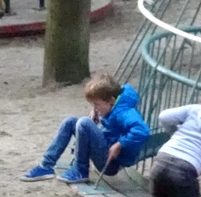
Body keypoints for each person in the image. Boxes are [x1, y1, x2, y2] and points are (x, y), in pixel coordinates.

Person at [21, 73, 150, 183]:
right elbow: (106, 118)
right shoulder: (113, 105)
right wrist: (95, 111)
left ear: (111, 100)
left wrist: (120, 144)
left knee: (83, 123)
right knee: (70, 121)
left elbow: (142, 130)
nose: (95, 108)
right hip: (105, 147)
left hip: (112, 163)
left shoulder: (124, 112)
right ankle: (46, 165)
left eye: (97, 104)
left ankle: (80, 171)